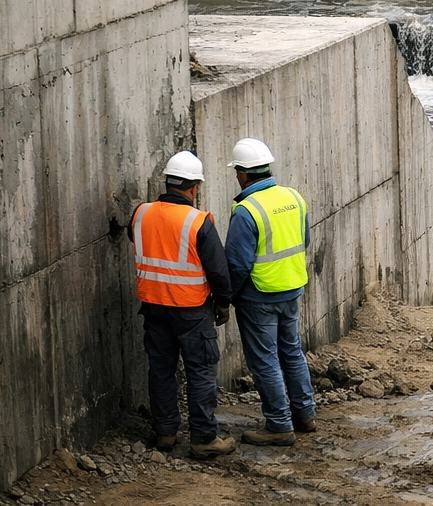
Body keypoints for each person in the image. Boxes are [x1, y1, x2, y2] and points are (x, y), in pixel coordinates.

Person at [130, 152, 236, 459]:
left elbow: (135, 238)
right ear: (194, 188)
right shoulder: (197, 221)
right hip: (191, 310)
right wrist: (224, 303)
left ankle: (165, 432)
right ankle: (203, 438)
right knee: (200, 370)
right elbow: (218, 270)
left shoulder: (141, 213)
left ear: (167, 181)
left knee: (161, 369)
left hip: (154, 307)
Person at [226, 138, 316, 446]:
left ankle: (279, 424)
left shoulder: (245, 210)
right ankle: (305, 413)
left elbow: (237, 265)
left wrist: (228, 297)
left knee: (265, 359)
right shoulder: (294, 197)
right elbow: (304, 239)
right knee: (291, 350)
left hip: (259, 295)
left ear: (243, 173)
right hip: (291, 287)